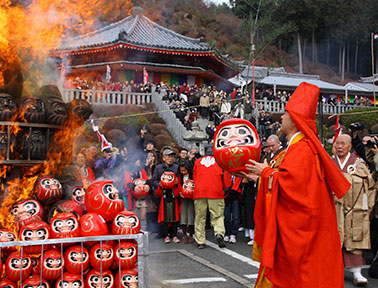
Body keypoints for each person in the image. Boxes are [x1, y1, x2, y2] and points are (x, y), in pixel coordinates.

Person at [244, 82, 351, 288]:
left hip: (302, 230)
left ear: (294, 119)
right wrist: (260, 177)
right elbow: (289, 181)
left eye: (285, 113)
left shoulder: (301, 150)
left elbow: (292, 187)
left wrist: (265, 173)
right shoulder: (300, 148)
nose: (281, 117)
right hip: (305, 224)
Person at [332, 134, 376, 286]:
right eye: (337, 143)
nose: (339, 146)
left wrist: (367, 208)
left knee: (354, 238)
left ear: (350, 146)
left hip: (354, 208)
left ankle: (357, 273)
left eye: (343, 144)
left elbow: (369, 185)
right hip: (333, 208)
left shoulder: (358, 164)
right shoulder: (330, 163)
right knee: (332, 239)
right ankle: (331, 270)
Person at [193, 146, 231, 249]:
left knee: (200, 217)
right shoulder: (220, 161)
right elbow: (227, 179)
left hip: (200, 192)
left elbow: (195, 177)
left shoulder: (198, 162)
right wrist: (226, 189)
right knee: (217, 215)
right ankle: (219, 233)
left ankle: (200, 241)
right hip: (216, 191)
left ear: (204, 152)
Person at [177, 160, 195, 244]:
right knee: (183, 216)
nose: (183, 172)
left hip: (191, 198)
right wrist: (180, 192)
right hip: (182, 198)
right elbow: (177, 186)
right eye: (181, 171)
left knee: (191, 216)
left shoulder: (193, 176)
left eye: (185, 170)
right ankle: (184, 235)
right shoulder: (179, 177)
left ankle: (191, 234)